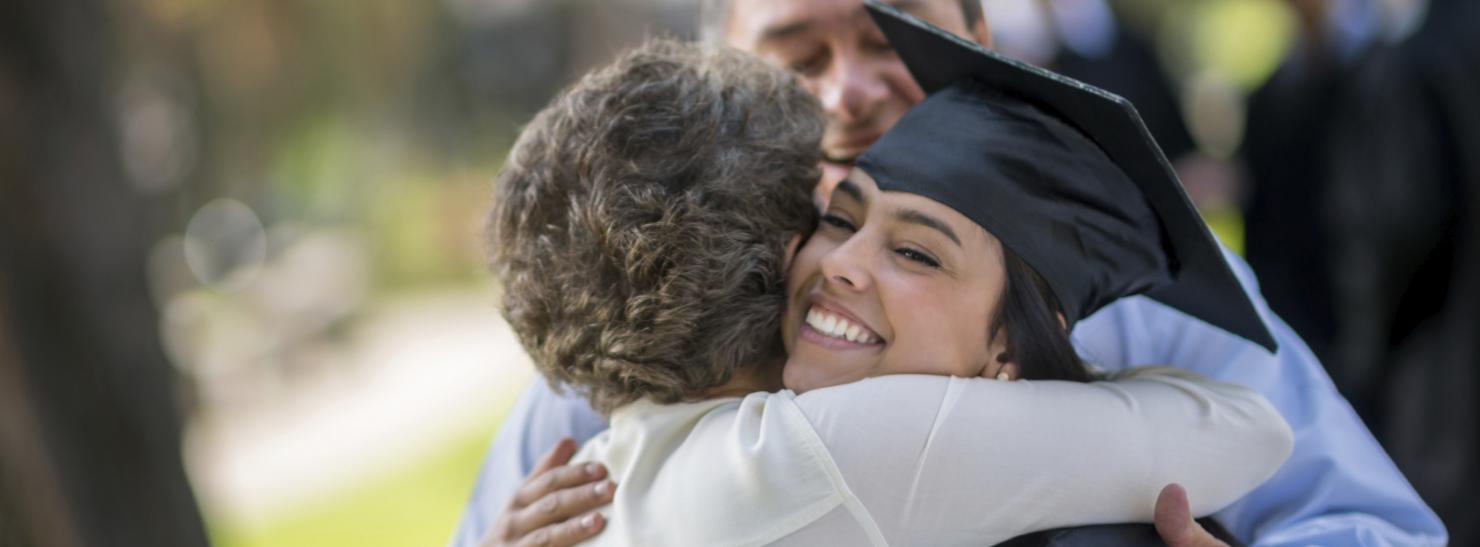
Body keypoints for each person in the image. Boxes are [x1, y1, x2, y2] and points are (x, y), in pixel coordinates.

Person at [453, 1, 1447, 546]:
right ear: (728, 78)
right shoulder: (640, 335)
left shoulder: (1146, 288)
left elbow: (1368, 521)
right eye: (798, 50)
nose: (848, 87)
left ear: (976, 43)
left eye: (889, 38)